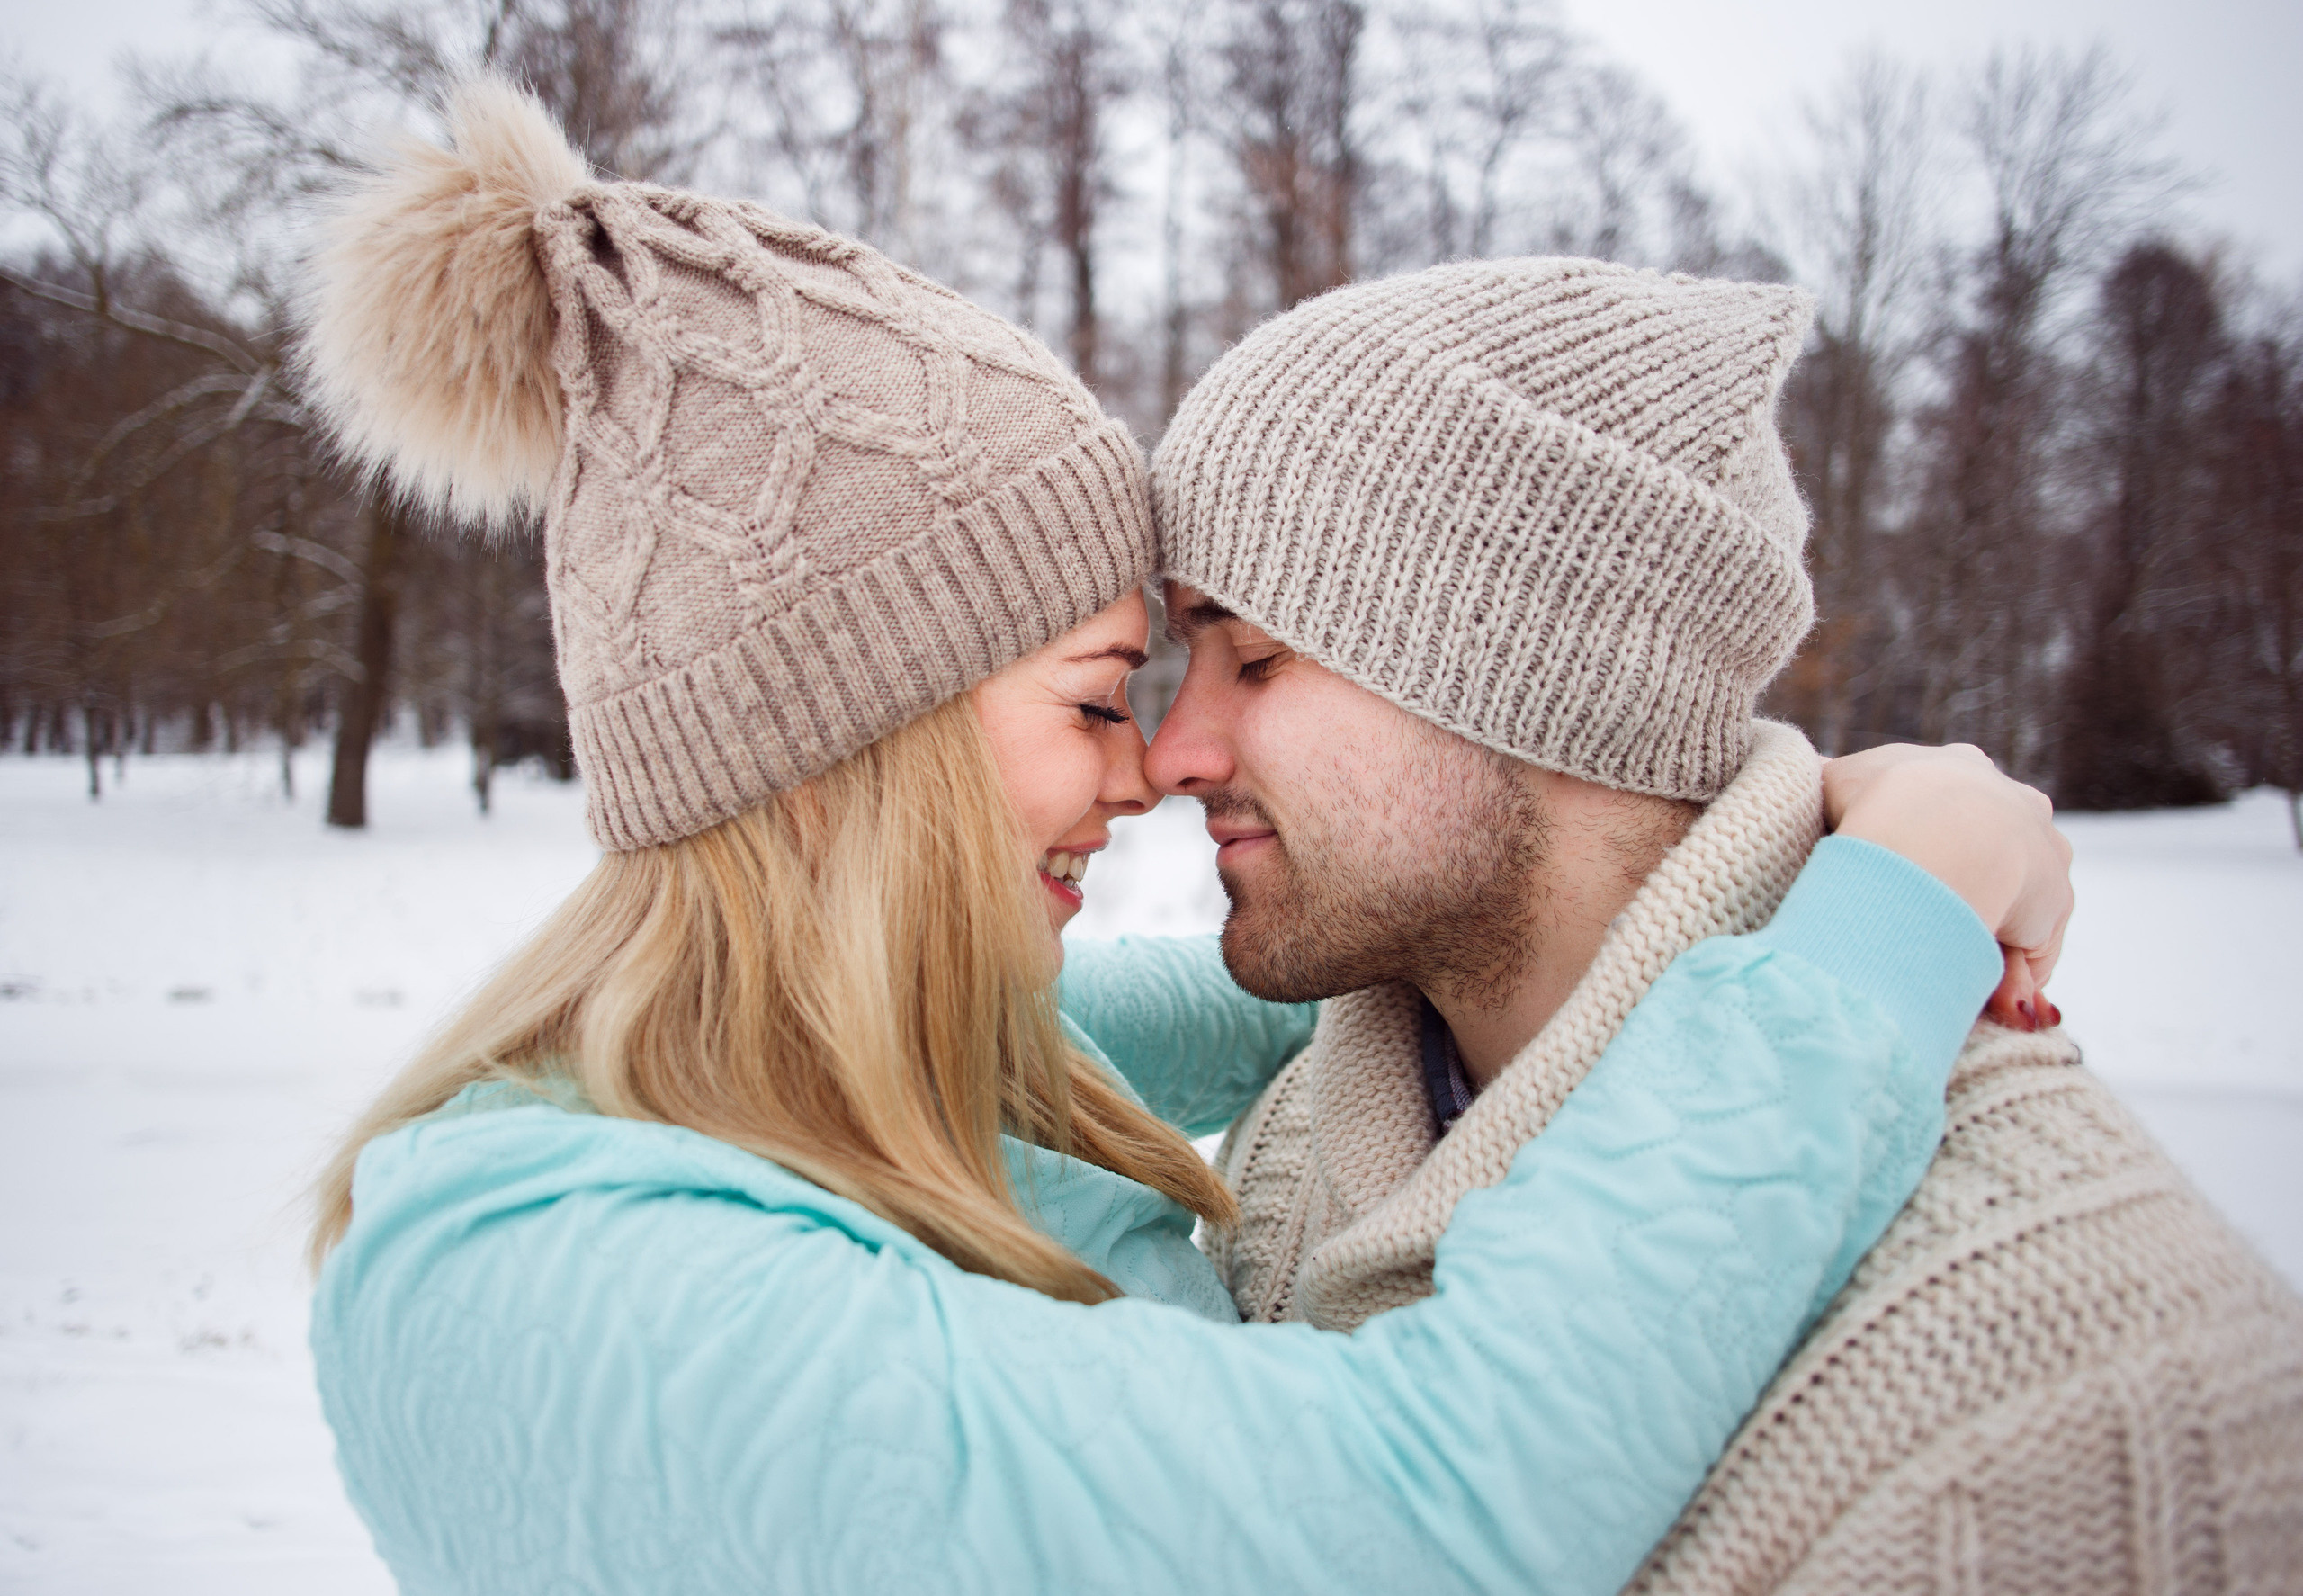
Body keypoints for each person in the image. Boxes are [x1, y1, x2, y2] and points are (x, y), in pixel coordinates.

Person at [300, 81, 2064, 1595]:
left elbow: (1334, 973)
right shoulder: (567, 1296)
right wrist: (1880, 923)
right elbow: (1422, 1518)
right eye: (1093, 698)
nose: (1150, 769)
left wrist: (1715, 841)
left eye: (1238, 662)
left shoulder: (843, 1086)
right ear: (845, 741)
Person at [1145, 255, 2303, 1592]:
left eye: (1259, 656)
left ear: (1535, 670)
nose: (1174, 750)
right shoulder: (1295, 1142)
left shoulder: (2096, 1393)